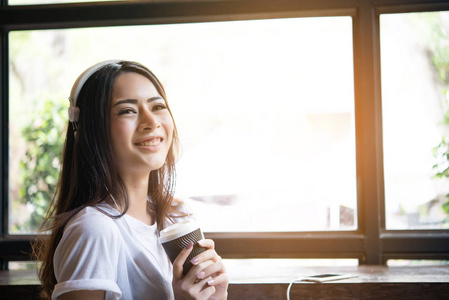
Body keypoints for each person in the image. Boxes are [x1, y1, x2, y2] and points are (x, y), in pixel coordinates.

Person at [34, 60, 229, 300]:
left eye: (157, 106)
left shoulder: (176, 216)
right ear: (92, 130)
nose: (151, 122)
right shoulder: (95, 230)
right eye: (128, 110)